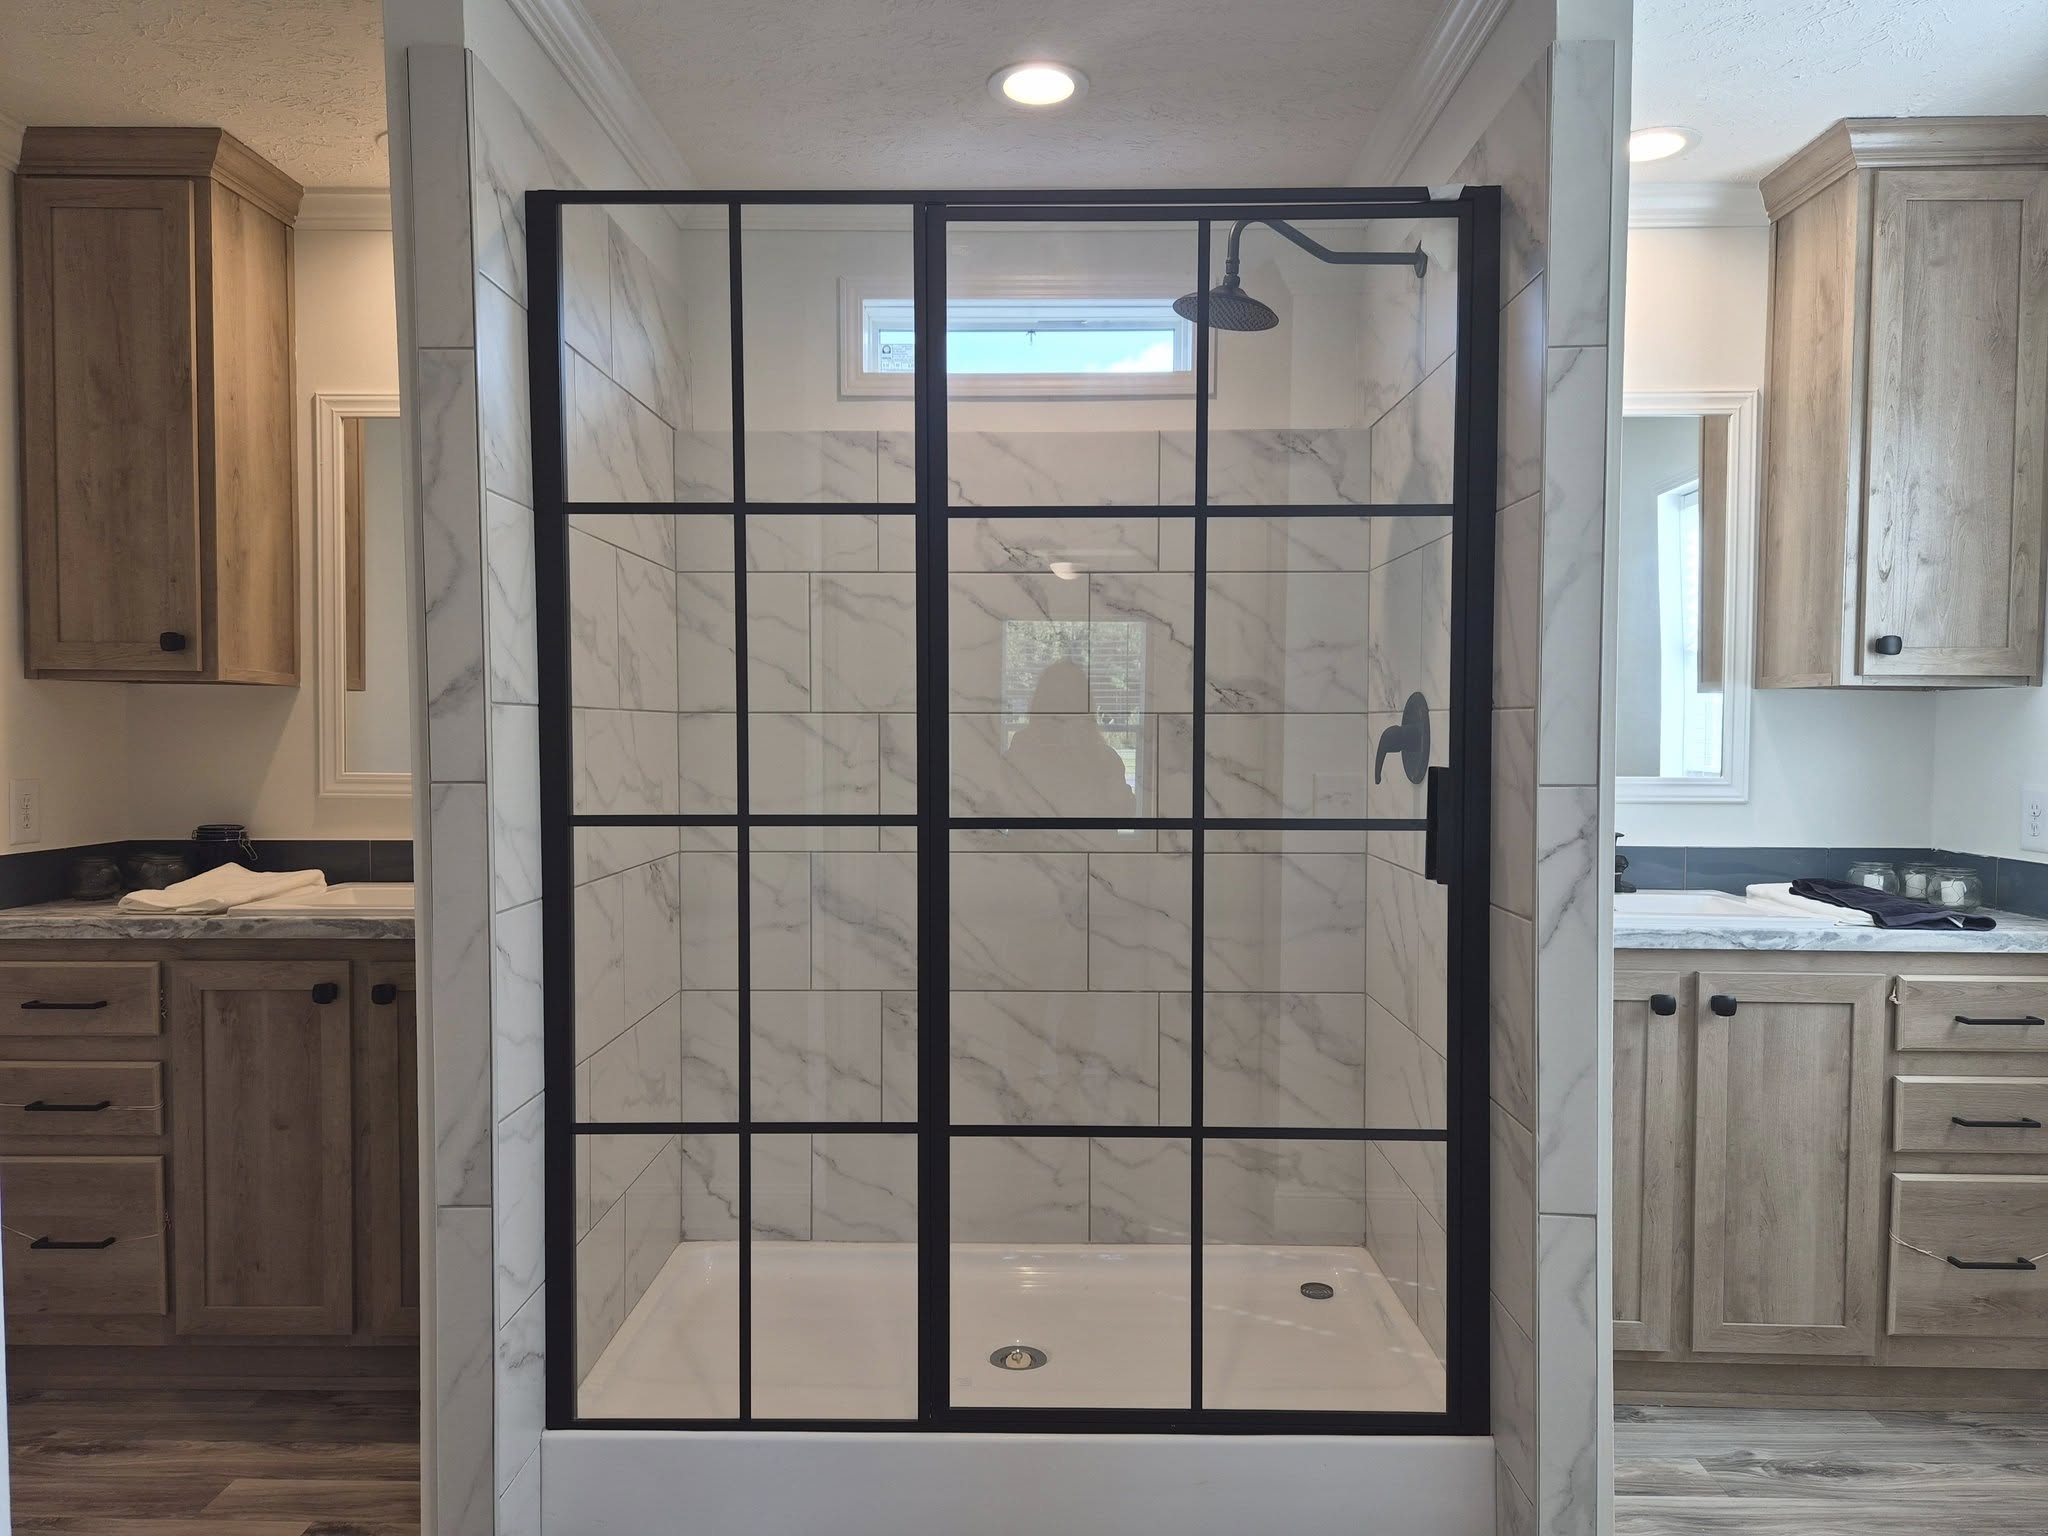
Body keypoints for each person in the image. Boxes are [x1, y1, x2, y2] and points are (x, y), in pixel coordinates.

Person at [1001, 658, 1136, 817]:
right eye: (1055, 704)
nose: (1062, 716)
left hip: (1089, 841)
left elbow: (1125, 811)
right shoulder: (1022, 750)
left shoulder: (1105, 759)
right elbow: (1000, 804)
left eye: (1069, 704)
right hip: (1034, 841)